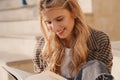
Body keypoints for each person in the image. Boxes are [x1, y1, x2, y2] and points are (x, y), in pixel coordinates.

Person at [33, 0, 113, 80]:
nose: (55, 28)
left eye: (59, 19)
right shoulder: (41, 47)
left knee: (94, 66)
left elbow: (100, 75)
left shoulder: (100, 40)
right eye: (49, 22)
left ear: (74, 12)